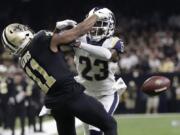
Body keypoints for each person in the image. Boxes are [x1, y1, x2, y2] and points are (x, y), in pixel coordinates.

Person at [1, 9, 117, 135]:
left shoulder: (23, 61)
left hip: (55, 104)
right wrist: (96, 15)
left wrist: (55, 30)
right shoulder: (40, 39)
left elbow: (49, 50)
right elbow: (77, 32)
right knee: (109, 125)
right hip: (70, 95)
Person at [73, 7, 127, 135]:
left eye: (99, 23)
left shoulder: (114, 41)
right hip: (86, 95)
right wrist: (64, 31)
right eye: (93, 23)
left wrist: (80, 45)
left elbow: (110, 55)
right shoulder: (79, 37)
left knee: (95, 130)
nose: (95, 27)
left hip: (106, 95)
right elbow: (58, 45)